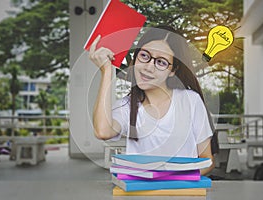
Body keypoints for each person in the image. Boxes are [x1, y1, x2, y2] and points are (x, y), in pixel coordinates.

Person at [89, 25, 215, 175]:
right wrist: (106, 71)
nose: (148, 67)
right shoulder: (127, 106)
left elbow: (207, 159)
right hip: (140, 193)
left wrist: (170, 180)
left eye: (161, 62)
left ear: (172, 71)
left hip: (181, 191)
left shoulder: (190, 101)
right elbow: (102, 131)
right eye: (144, 56)